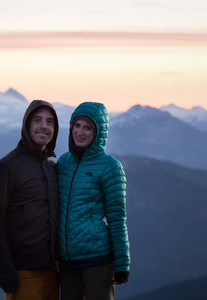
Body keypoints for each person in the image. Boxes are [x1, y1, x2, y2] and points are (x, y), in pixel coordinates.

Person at [0, 100, 60, 300]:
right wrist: (4, 271)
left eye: (50, 122)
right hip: (23, 274)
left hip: (55, 273)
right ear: (26, 126)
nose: (44, 125)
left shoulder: (52, 167)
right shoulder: (6, 168)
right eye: (37, 120)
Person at [57, 102, 130, 300]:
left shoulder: (110, 166)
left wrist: (122, 263)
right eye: (77, 125)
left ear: (98, 132)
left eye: (87, 127)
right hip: (66, 261)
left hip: (97, 259)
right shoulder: (63, 162)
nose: (80, 132)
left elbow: (117, 217)